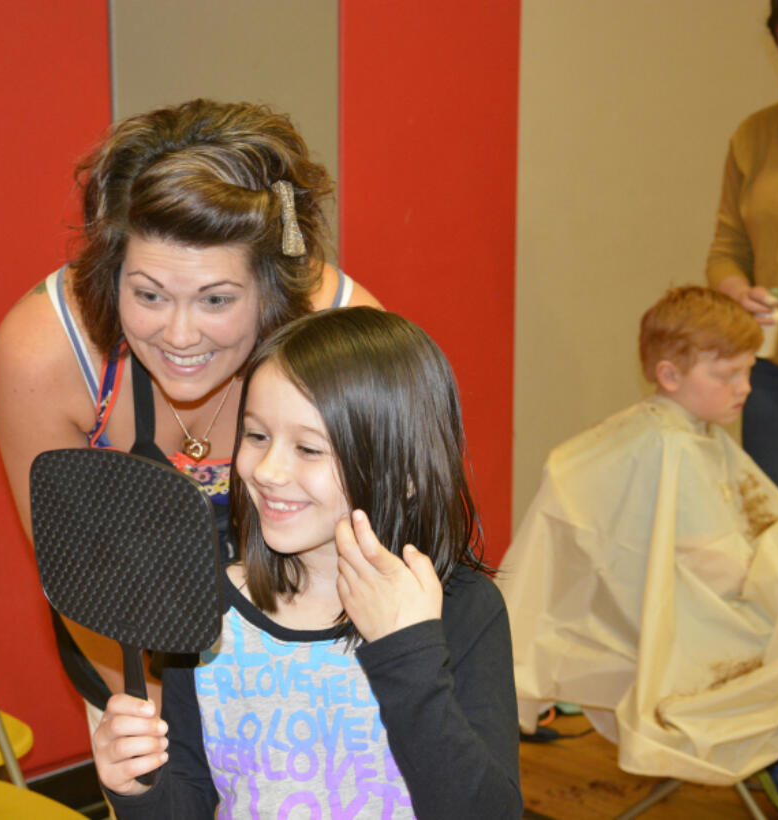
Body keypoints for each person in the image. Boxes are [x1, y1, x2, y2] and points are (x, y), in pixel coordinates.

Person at [0, 99, 380, 725]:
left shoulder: (342, 338)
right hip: (129, 659)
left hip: (308, 653)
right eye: (148, 294)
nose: (178, 335)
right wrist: (154, 717)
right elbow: (77, 574)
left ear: (276, 288)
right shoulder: (50, 352)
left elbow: (368, 561)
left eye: (216, 299)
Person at [91, 307, 522, 819]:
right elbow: (188, 793)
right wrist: (139, 792)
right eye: (256, 436)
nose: (269, 470)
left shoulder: (462, 610)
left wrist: (408, 653)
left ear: (406, 471)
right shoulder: (207, 607)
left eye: (309, 448)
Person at [499, 287, 778, 802]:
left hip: (706, 609)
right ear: (670, 375)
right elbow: (720, 571)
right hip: (689, 633)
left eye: (748, 371)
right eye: (728, 375)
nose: (746, 388)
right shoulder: (666, 446)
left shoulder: (686, 434)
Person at [706, 0, 778, 519]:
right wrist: (735, 291)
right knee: (776, 543)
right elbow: (727, 251)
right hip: (773, 380)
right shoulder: (755, 136)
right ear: (776, 45)